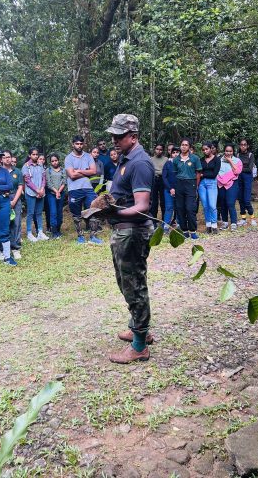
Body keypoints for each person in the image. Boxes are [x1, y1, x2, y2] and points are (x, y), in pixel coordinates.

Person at [105, 114, 155, 364]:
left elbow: (142, 205)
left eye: (119, 135)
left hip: (133, 232)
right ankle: (138, 327)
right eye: (113, 135)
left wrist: (111, 213)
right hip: (124, 231)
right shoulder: (126, 159)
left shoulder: (140, 163)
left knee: (133, 284)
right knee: (127, 282)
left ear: (133, 137)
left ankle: (140, 346)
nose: (114, 140)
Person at [64, 136, 102, 245]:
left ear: (83, 144)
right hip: (74, 189)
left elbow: (94, 171)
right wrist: (86, 172)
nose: (79, 146)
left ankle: (93, 236)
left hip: (88, 188)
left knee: (94, 210)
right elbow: (72, 175)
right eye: (77, 144)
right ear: (73, 144)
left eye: (81, 144)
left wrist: (78, 171)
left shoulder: (88, 156)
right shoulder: (68, 158)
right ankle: (80, 237)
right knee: (76, 214)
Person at [172, 138, 202, 239]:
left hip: (191, 184)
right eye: (182, 145)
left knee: (190, 208)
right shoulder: (176, 160)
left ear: (189, 147)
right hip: (179, 184)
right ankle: (184, 231)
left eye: (186, 145)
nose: (184, 147)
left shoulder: (195, 158)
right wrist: (174, 187)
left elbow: (198, 173)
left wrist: (196, 186)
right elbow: (174, 174)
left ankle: (192, 231)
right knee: (180, 208)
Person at [22, 147, 48, 242]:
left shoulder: (41, 165)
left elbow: (44, 178)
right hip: (31, 193)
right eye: (33, 154)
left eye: (37, 154)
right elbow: (28, 181)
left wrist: (42, 189)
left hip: (41, 193)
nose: (36, 156)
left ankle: (40, 232)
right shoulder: (26, 166)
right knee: (30, 213)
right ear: (29, 155)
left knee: (39, 213)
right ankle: (29, 233)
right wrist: (37, 190)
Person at [2, 150, 23, 259]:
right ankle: (2, 249)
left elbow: (20, 186)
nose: (7, 159)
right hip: (2, 198)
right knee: (3, 224)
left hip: (15, 198)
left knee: (16, 223)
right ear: (1, 159)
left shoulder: (17, 171)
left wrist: (14, 201)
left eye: (9, 157)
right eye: (4, 157)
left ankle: (15, 248)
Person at [217, 144, 242, 230]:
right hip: (221, 184)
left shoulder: (237, 161)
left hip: (232, 183)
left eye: (230, 151)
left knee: (230, 203)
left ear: (233, 152)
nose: (228, 153)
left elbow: (237, 171)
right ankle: (225, 222)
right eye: (227, 151)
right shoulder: (219, 160)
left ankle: (234, 223)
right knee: (223, 203)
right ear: (224, 151)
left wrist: (230, 161)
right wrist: (220, 180)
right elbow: (216, 172)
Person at [199, 141, 221, 234]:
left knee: (212, 205)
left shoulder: (217, 160)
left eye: (206, 149)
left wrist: (203, 174)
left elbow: (214, 174)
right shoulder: (201, 160)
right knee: (205, 206)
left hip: (212, 183)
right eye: (203, 150)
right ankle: (208, 226)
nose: (205, 151)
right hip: (202, 184)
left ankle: (214, 226)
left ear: (211, 148)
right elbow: (198, 172)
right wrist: (202, 175)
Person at [46, 153, 66, 238]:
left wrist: (59, 192)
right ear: (50, 162)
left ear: (58, 160)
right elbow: (49, 183)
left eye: (56, 160)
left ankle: (58, 230)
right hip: (51, 194)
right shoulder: (48, 170)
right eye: (52, 161)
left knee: (59, 212)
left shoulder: (63, 170)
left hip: (61, 193)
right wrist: (56, 192)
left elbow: (64, 182)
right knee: (53, 212)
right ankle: (54, 232)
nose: (54, 162)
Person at [237, 139, 257, 227]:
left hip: (247, 178)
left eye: (244, 145)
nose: (243, 146)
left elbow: (249, 169)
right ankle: (243, 218)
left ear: (247, 146)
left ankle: (252, 218)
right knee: (240, 199)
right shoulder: (237, 155)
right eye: (241, 144)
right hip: (239, 178)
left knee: (247, 200)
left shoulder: (250, 155)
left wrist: (239, 169)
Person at [162, 146, 180, 233]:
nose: (175, 154)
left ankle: (180, 226)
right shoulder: (167, 163)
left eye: (177, 152)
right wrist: (170, 189)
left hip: (180, 190)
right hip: (168, 190)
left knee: (179, 207)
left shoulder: (182, 163)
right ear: (171, 154)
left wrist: (177, 189)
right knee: (169, 207)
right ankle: (166, 226)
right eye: (173, 152)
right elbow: (164, 177)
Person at [150, 144, 167, 227]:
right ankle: (153, 221)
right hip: (154, 180)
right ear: (155, 149)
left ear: (162, 150)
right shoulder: (151, 159)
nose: (158, 151)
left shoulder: (166, 159)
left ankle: (164, 220)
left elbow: (166, 171)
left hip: (163, 180)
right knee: (154, 201)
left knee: (163, 201)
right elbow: (150, 170)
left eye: (160, 149)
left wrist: (158, 172)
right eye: (157, 149)